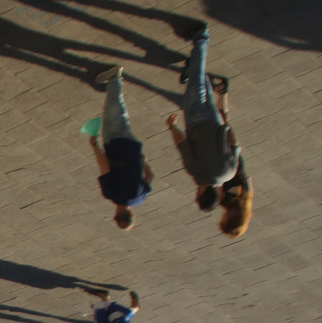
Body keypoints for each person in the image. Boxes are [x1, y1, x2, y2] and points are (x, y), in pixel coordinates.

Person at [166, 25, 240, 210]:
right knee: (198, 84)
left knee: (201, 86)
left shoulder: (229, 174)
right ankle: (201, 38)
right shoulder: (197, 173)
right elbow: (182, 143)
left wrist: (226, 123)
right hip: (195, 120)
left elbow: (235, 144)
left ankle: (192, 67)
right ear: (201, 194)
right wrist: (172, 126)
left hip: (216, 121)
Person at [90, 67, 152, 228]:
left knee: (122, 118)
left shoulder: (140, 198)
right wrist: (95, 146)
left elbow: (150, 175)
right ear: (115, 216)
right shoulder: (110, 193)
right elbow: (104, 166)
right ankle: (114, 80)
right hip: (116, 146)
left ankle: (115, 87)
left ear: (132, 214)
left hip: (133, 148)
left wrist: (143, 161)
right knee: (112, 115)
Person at [219, 155, 254, 238]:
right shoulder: (227, 200)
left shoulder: (246, 200)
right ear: (232, 219)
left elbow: (247, 179)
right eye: (224, 221)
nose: (222, 218)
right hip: (225, 164)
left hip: (236, 164)